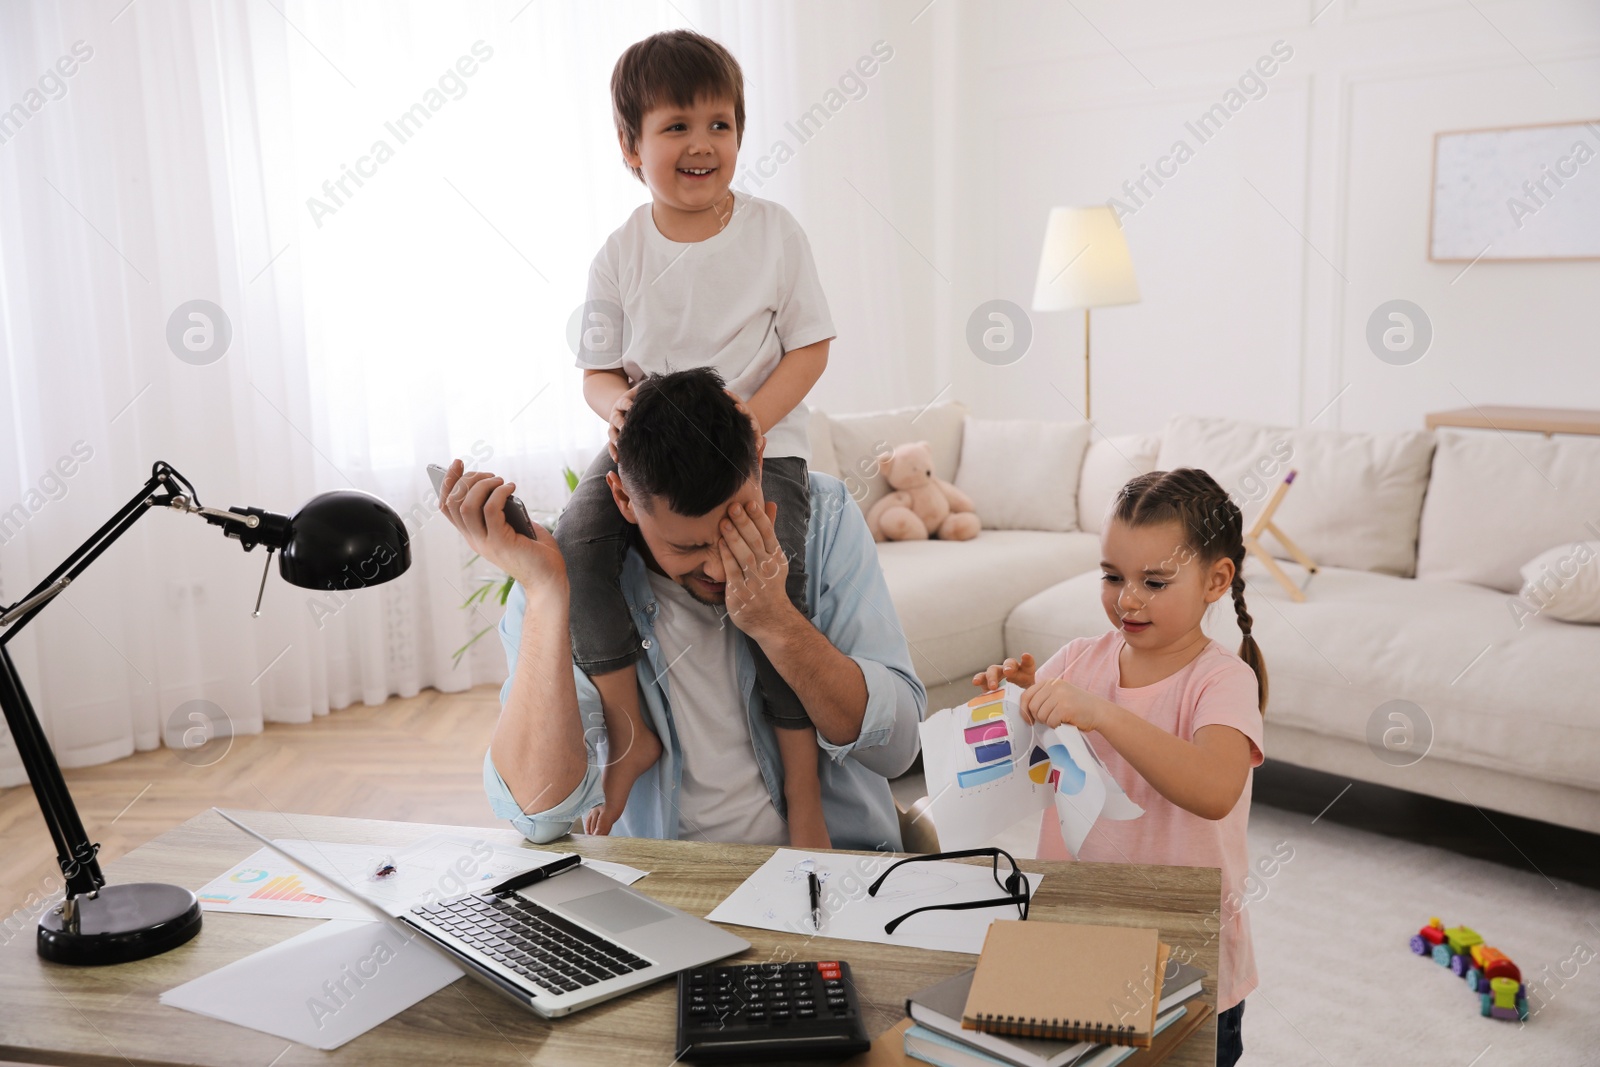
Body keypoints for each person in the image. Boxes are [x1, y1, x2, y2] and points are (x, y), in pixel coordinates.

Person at [438, 368, 923, 853]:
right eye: (687, 546)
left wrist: (777, 622)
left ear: (758, 460)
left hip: (837, 878)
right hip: (663, 891)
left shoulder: (826, 515)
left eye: (734, 525)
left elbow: (897, 750)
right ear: (624, 498)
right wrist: (544, 593)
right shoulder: (568, 572)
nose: (718, 566)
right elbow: (538, 815)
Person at [558, 29, 838, 845]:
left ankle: (803, 790)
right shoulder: (619, 255)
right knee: (575, 537)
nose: (701, 143)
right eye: (676, 126)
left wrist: (751, 421)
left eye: (720, 124)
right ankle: (629, 730)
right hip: (656, 458)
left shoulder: (774, 232)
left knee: (778, 585)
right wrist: (620, 413)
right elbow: (597, 372)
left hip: (758, 449)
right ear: (629, 147)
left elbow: (810, 346)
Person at [972, 468, 1267, 1067]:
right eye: (1112, 576)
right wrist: (1018, 699)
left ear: (1216, 580)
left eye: (1154, 581)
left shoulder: (1223, 680)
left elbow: (1214, 788)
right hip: (1078, 927)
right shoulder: (1079, 660)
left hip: (1183, 950)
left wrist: (1102, 714)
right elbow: (1024, 758)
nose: (1126, 598)